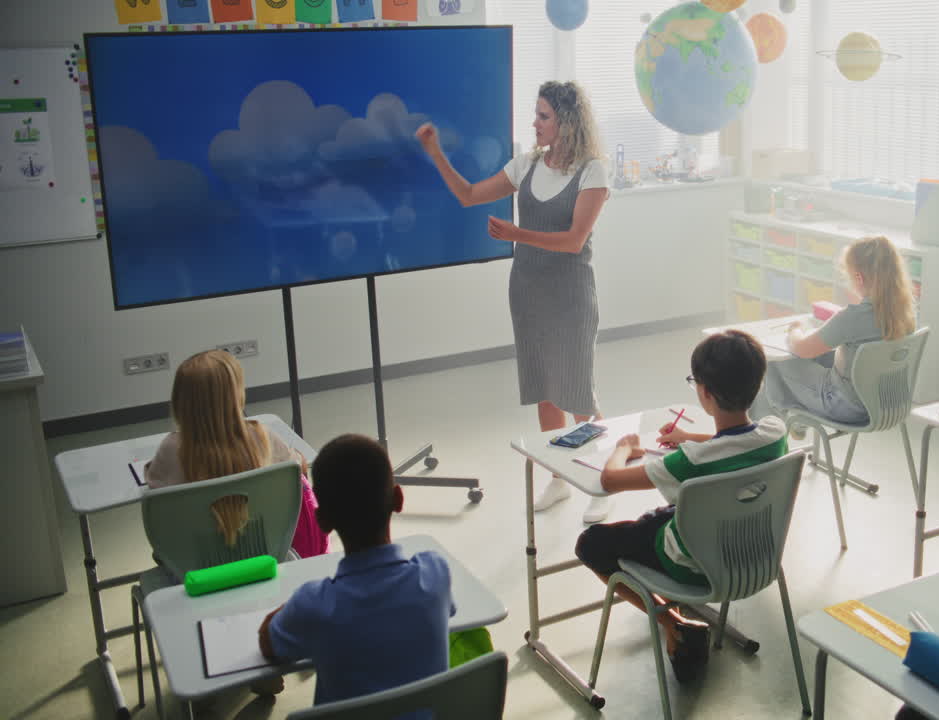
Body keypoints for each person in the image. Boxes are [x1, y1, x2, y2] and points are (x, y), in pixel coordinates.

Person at [416, 81, 613, 524]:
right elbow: (468, 195)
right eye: (536, 114)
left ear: (566, 122)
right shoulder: (527, 164)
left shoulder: (593, 170)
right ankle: (558, 477)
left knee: (579, 390)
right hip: (527, 290)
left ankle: (602, 480)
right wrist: (435, 152)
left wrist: (516, 234)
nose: (535, 123)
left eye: (543, 116)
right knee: (545, 389)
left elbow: (573, 240)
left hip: (570, 293)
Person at [574, 330, 788, 682]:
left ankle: (672, 623)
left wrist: (624, 448)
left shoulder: (689, 462)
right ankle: (677, 617)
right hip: (754, 555)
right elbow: (734, 445)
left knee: (592, 543)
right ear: (758, 384)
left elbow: (610, 481)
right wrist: (689, 438)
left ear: (705, 393)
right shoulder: (775, 432)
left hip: (692, 566)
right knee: (665, 516)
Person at [258, 434, 455, 714]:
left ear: (321, 520)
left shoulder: (312, 604)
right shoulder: (435, 574)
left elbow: (269, 644)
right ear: (399, 499)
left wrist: (292, 605)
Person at [145, 349, 328, 559]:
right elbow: (295, 469)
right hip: (263, 555)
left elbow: (155, 492)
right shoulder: (262, 435)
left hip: (194, 566)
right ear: (236, 396)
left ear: (180, 401)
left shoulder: (170, 450)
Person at [750, 235, 915, 429]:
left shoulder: (852, 317)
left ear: (859, 278)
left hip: (845, 406)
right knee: (822, 356)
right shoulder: (906, 312)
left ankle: (777, 424)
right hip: (887, 403)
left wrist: (795, 330)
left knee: (773, 360)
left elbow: (801, 348)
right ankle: (788, 419)